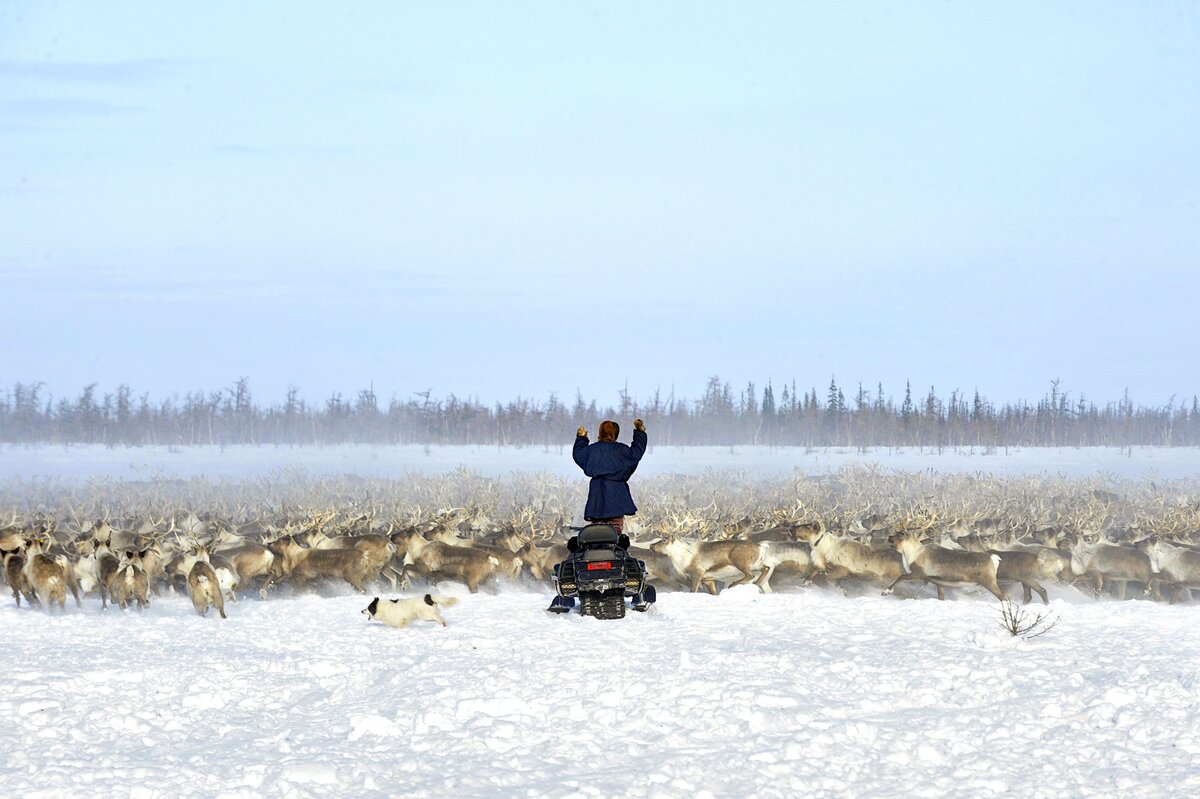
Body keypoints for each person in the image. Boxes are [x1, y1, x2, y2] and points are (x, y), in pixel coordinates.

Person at [572, 418, 647, 535]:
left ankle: (596, 551)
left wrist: (581, 438)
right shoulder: (621, 450)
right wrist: (640, 433)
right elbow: (636, 453)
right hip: (617, 497)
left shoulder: (592, 450)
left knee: (596, 534)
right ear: (615, 434)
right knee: (614, 533)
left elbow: (578, 454)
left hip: (597, 498)